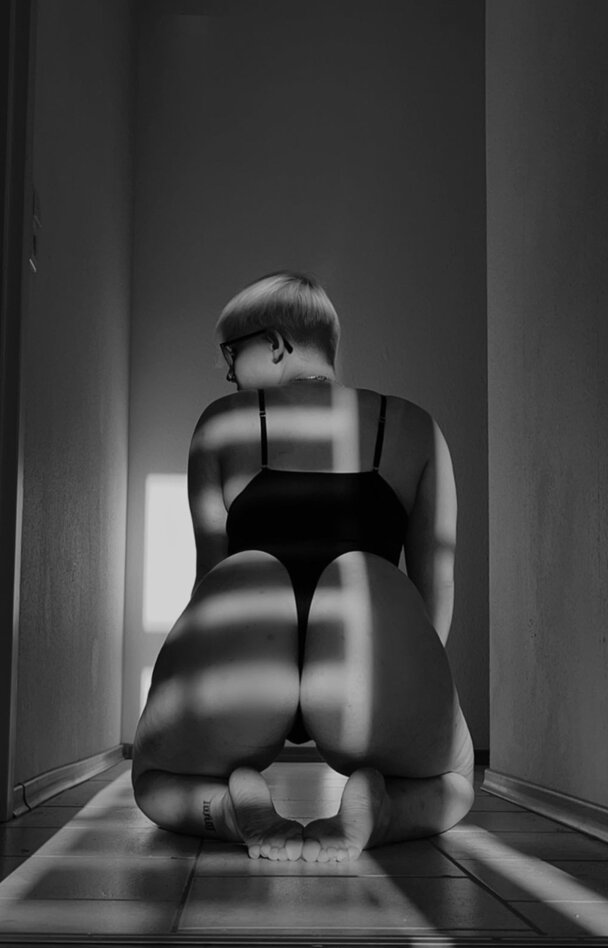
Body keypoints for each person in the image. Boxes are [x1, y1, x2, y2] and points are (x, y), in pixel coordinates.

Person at [131, 271, 474, 863]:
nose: (229, 375)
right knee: (457, 783)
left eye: (230, 355)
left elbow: (209, 589)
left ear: (275, 345)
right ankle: (384, 810)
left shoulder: (221, 424)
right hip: (361, 677)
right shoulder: (417, 429)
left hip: (249, 673)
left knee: (152, 780)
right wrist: (398, 705)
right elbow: (432, 603)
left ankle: (230, 809)